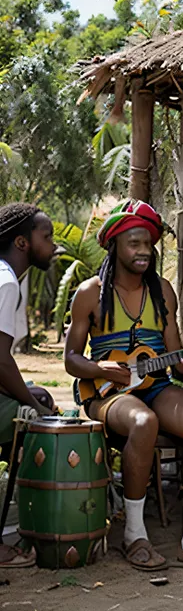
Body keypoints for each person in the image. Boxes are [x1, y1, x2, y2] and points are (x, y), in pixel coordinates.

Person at [65, 199, 183, 573]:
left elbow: (176, 357)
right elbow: (70, 359)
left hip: (156, 385)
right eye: (133, 244)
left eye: (147, 244)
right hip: (107, 393)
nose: (142, 252)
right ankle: (134, 535)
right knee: (143, 423)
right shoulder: (91, 293)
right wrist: (100, 368)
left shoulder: (163, 292)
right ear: (115, 246)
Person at [0, 202, 57, 569]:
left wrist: (28, 392)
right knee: (38, 423)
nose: (53, 245)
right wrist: (34, 407)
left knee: (35, 395)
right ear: (22, 242)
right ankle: (14, 529)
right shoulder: (6, 282)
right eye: (46, 237)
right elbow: (0, 361)